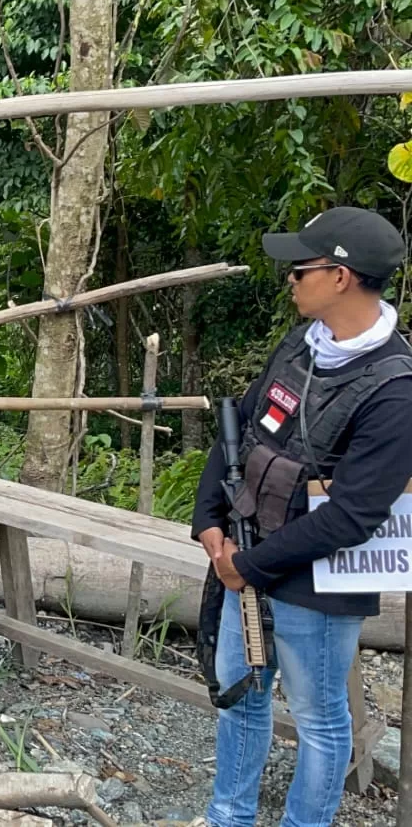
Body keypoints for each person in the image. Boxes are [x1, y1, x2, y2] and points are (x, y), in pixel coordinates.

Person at [192, 206, 412, 827]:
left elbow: (353, 517)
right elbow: (241, 433)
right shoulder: (302, 342)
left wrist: (248, 567)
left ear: (340, 276)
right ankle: (228, 817)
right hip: (243, 555)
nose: (290, 280)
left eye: (300, 268)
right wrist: (209, 523)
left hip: (313, 587)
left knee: (318, 720)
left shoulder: (396, 390)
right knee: (240, 697)